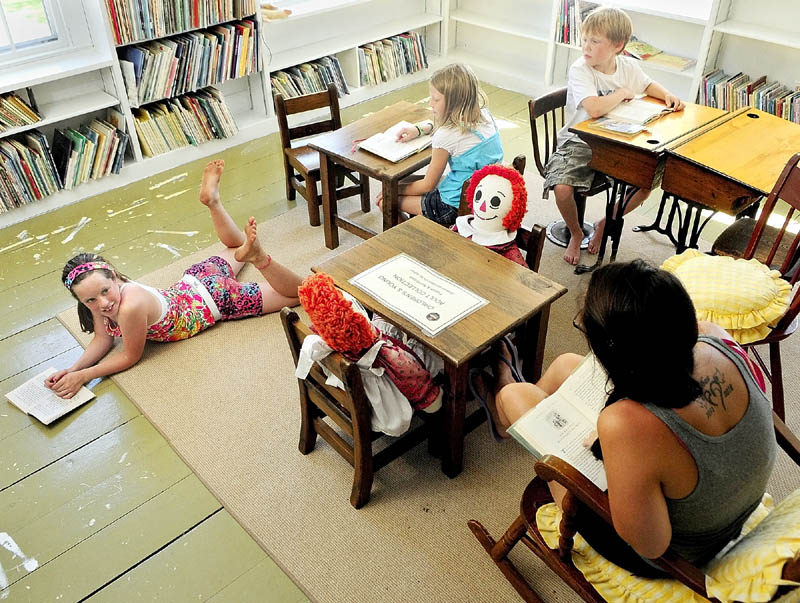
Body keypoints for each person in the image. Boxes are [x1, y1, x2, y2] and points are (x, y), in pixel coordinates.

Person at [491, 260, 776, 575]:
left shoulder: (624, 422)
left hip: (682, 552)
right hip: (725, 496)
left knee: (512, 398)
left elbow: (651, 547)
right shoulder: (713, 337)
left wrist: (613, 453)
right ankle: (515, 409)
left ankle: (508, 409)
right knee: (565, 364)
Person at [46, 159, 303, 399]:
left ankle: (258, 259)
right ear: (81, 299)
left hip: (218, 299)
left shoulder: (130, 306)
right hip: (196, 279)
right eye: (91, 300)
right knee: (236, 245)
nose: (102, 303)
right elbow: (103, 339)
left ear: (113, 277)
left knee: (300, 292)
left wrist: (85, 376)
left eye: (104, 291)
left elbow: (129, 356)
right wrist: (72, 369)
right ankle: (213, 202)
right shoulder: (99, 298)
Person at [542, 7, 685, 265]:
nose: (585, 46)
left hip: (618, 141)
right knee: (562, 189)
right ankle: (576, 232)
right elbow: (595, 109)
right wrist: (621, 94)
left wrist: (667, 95)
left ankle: (604, 223)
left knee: (645, 184)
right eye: (584, 39)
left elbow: (648, 85)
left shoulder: (628, 66)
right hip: (579, 141)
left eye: (594, 42)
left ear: (618, 45)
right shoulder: (581, 69)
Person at [376, 63, 503, 227]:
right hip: (482, 195)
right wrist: (421, 129)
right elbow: (453, 127)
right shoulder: (485, 115)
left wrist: (391, 192)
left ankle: (412, 240)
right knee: (402, 181)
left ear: (454, 103)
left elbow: (428, 185)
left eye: (435, 99)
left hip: (453, 207)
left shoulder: (446, 136)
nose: (430, 103)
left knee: (385, 201)